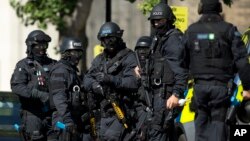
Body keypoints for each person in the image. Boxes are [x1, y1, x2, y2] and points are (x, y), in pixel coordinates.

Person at [183, 0, 250, 141]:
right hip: (221, 87)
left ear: (200, 8)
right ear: (219, 8)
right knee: (219, 124)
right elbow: (242, 61)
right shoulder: (229, 29)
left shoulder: (191, 30)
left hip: (199, 87)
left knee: (200, 122)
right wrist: (247, 88)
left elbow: (181, 59)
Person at [83, 22, 139, 141]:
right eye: (105, 39)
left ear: (118, 38)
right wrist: (96, 86)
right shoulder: (99, 59)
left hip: (120, 113)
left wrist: (110, 79)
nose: (109, 42)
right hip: (101, 116)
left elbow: (132, 83)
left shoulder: (129, 57)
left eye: (112, 39)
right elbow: (87, 79)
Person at [147, 2, 188, 141]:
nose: (157, 24)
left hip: (166, 95)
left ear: (169, 20)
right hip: (156, 94)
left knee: (157, 132)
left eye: (160, 20)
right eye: (154, 21)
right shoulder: (159, 39)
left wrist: (176, 94)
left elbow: (180, 70)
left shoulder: (173, 40)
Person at [10, 30, 56, 141]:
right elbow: (17, 86)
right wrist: (39, 94)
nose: (42, 48)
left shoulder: (54, 64)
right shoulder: (23, 65)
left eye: (44, 45)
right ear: (30, 46)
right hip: (33, 115)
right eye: (38, 45)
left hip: (53, 114)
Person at [49, 37, 91, 141]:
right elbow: (59, 97)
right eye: (74, 53)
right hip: (63, 119)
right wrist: (67, 120)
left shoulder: (72, 71)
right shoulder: (61, 70)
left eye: (79, 53)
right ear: (66, 53)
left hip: (74, 120)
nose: (77, 57)